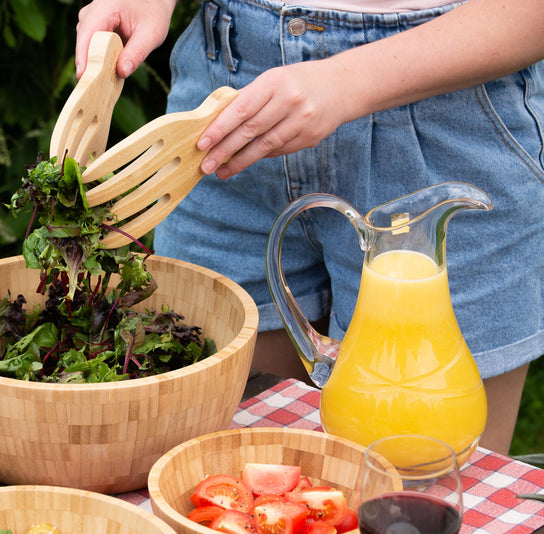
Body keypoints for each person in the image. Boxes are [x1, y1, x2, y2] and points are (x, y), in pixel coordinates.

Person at [74, 0, 544, 455]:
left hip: (445, 105)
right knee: (222, 469)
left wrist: (348, 80)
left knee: (418, 491)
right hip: (223, 120)